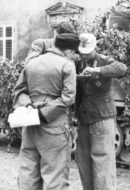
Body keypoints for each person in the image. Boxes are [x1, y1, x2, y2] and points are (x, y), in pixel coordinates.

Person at [12, 33, 80, 190]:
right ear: (69, 51)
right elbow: (68, 98)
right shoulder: (67, 64)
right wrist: (43, 114)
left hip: (30, 124)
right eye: (74, 53)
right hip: (54, 126)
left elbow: (19, 91)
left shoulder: (32, 63)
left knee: (28, 174)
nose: (75, 56)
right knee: (55, 176)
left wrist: (30, 107)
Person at [75, 33, 127, 190]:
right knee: (83, 160)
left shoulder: (104, 60)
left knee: (103, 159)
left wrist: (98, 70)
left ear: (95, 47)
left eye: (88, 53)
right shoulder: (77, 62)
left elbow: (121, 68)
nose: (84, 56)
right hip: (84, 118)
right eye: (82, 53)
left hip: (102, 116)